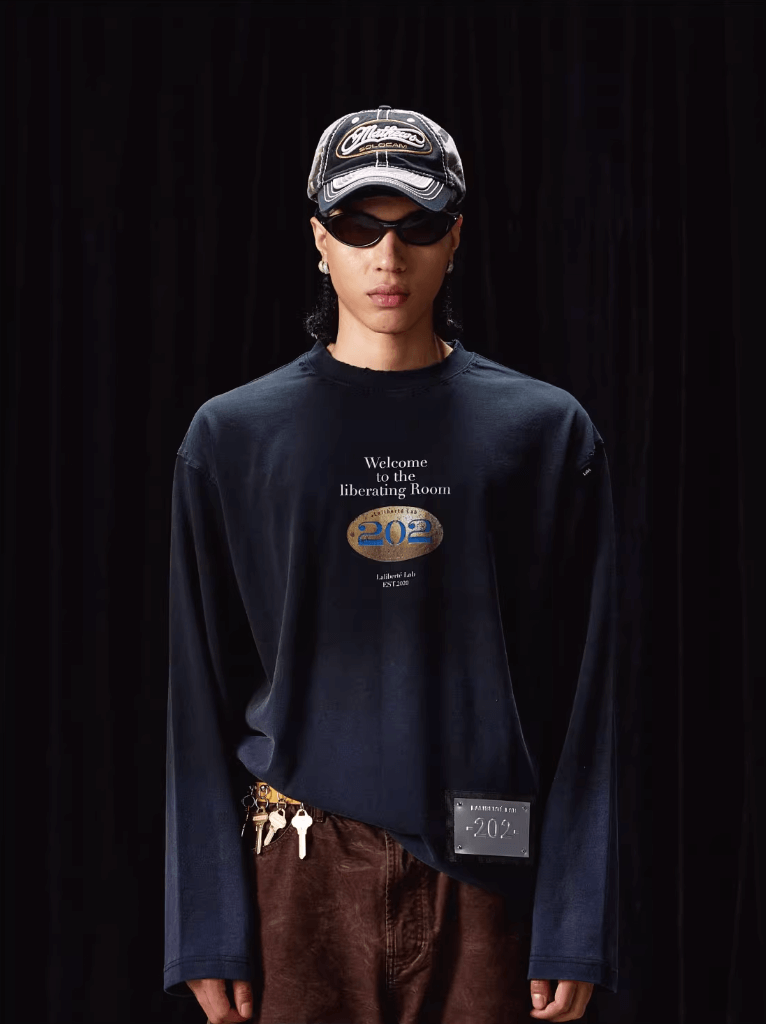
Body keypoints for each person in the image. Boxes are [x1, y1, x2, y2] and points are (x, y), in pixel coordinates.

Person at [164, 105, 619, 1024]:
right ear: (317, 240)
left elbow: (591, 690)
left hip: (490, 861)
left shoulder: (545, 434)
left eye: (416, 226)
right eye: (357, 226)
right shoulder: (233, 438)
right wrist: (205, 923)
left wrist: (576, 917)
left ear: (456, 236)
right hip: (298, 867)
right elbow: (195, 687)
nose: (387, 256)